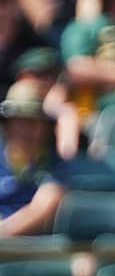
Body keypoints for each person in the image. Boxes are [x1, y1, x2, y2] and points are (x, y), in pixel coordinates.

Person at [0, 79, 70, 237]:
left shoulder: (55, 163)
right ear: (7, 124)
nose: (29, 130)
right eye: (20, 121)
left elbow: (43, 208)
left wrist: (3, 232)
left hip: (33, 250)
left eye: (35, 122)